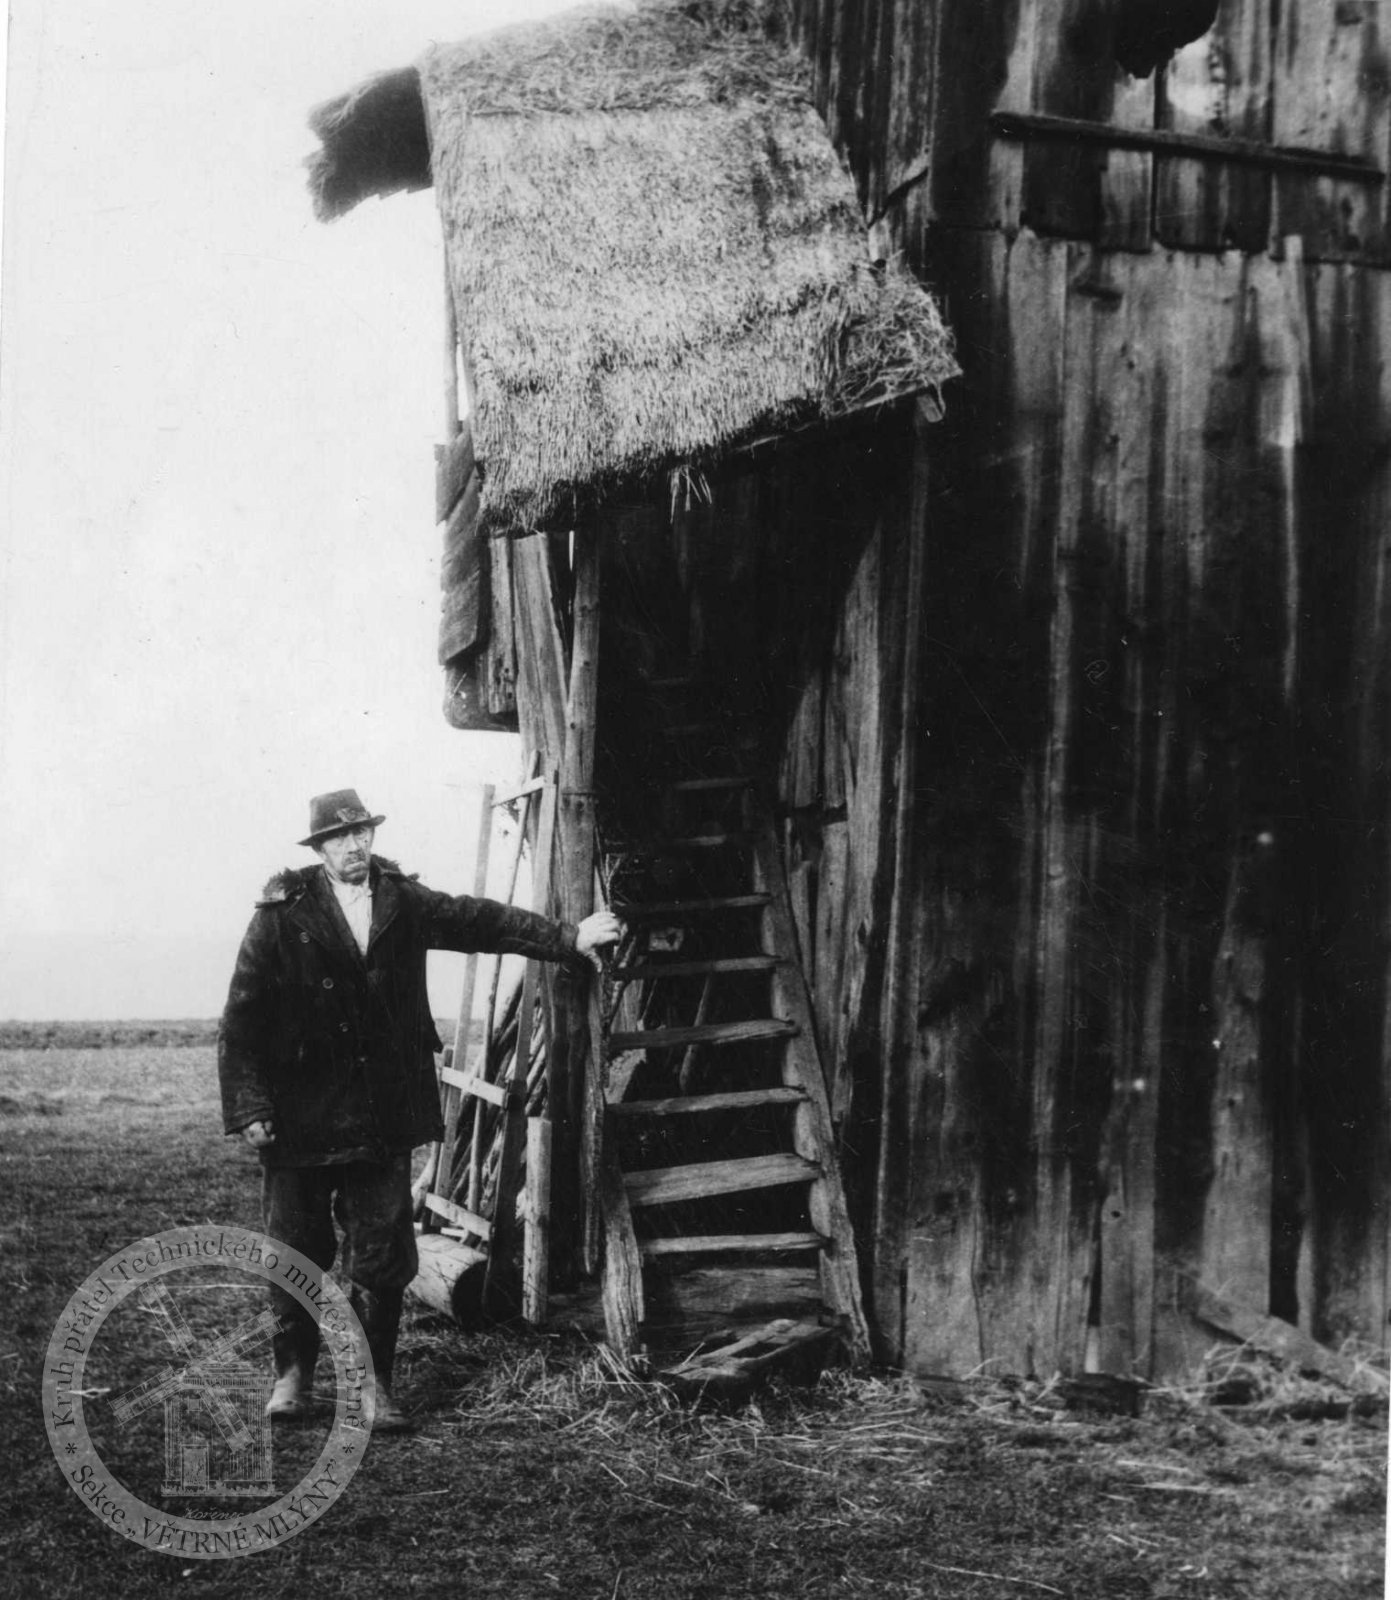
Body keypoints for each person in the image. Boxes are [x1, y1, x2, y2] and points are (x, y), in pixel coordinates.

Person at [218, 788, 622, 1433]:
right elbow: (242, 1017)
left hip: (383, 1110)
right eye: (340, 837)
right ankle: (292, 1377)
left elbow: (480, 921)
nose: (355, 845)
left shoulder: (401, 901)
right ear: (319, 848)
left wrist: (569, 937)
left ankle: (374, 1385)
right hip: (299, 1116)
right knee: (295, 1245)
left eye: (362, 833)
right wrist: (249, 1105)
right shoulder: (281, 913)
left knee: (383, 1253)